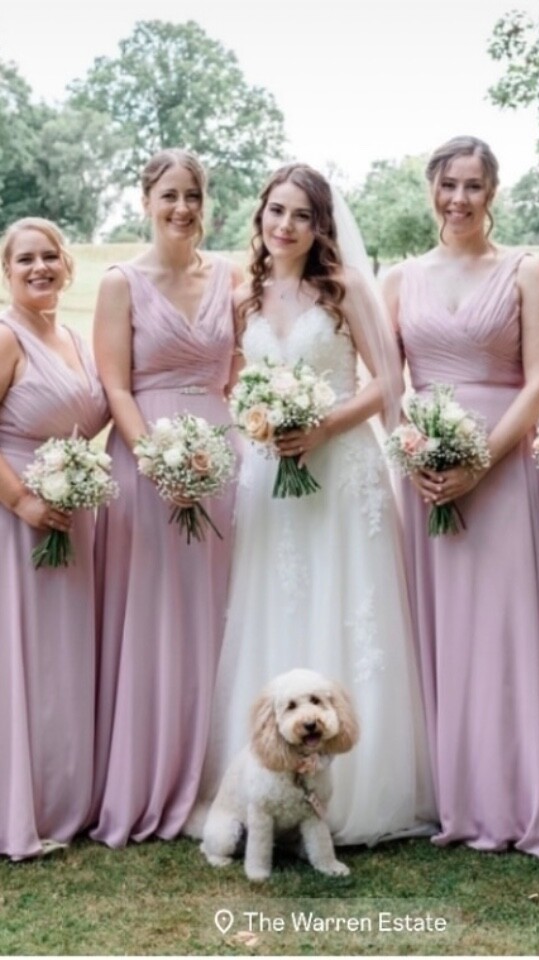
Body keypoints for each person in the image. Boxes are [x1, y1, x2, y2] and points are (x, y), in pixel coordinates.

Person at [187, 162, 436, 845]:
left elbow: (387, 382)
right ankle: (270, 783)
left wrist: (323, 424)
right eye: (275, 211)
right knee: (280, 602)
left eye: (300, 214)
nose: (284, 225)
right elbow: (238, 388)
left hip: (343, 469)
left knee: (348, 607)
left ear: (320, 225)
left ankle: (357, 791)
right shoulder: (246, 295)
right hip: (273, 479)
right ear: (260, 217)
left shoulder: (344, 288)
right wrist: (263, 425)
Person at [383, 135, 539, 857]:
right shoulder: (401, 279)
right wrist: (411, 451)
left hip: (505, 470)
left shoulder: (525, 272)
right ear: (430, 190)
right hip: (426, 472)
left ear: (493, 193)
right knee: (438, 631)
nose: (459, 199)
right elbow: (389, 385)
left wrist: (479, 462)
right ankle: (451, 794)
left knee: (507, 629)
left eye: (473, 186)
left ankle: (518, 796)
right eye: (447, 184)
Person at [90, 149, 243, 847]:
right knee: (154, 613)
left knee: (218, 611)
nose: (182, 209)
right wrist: (154, 459)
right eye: (169, 195)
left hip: (222, 459)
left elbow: (238, 372)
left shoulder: (231, 277)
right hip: (145, 458)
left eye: (193, 196)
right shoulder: (121, 283)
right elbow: (116, 385)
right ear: (146, 198)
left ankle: (216, 774)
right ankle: (148, 775)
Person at [0, 218, 109, 859]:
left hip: (74, 515)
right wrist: (22, 501)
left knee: (63, 660)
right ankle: (19, 805)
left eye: (50, 257)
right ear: (7, 272)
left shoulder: (73, 336)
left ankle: (65, 799)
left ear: (67, 265)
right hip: (18, 519)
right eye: (25, 261)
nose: (40, 268)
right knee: (23, 659)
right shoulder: (7, 337)